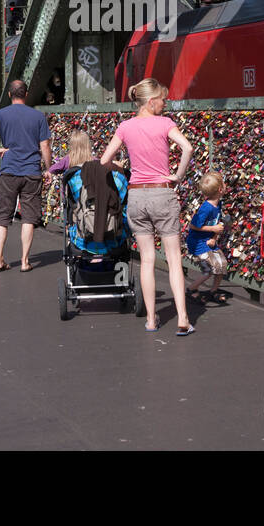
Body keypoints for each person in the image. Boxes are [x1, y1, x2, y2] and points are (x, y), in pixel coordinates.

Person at [100, 78, 195, 335]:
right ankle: (183, 317)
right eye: (162, 100)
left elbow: (104, 161)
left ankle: (152, 319)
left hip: (137, 197)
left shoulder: (125, 127)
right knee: (174, 259)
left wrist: (121, 168)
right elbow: (187, 147)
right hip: (162, 194)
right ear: (151, 102)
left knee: (147, 260)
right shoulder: (164, 124)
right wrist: (178, 175)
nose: (165, 104)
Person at [0, 79, 51, 272]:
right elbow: (44, 145)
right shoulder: (38, 116)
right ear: (25, 94)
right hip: (31, 171)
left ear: (10, 95)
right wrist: (49, 168)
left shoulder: (1, 114)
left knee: (2, 217)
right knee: (28, 217)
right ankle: (25, 261)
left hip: (9, 170)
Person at [185, 171, 231, 302]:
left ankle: (213, 290)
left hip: (208, 241)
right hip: (198, 243)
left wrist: (214, 237)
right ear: (220, 189)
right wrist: (213, 229)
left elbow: (218, 224)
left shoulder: (218, 204)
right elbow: (193, 225)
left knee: (221, 264)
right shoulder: (206, 208)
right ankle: (191, 289)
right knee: (210, 269)